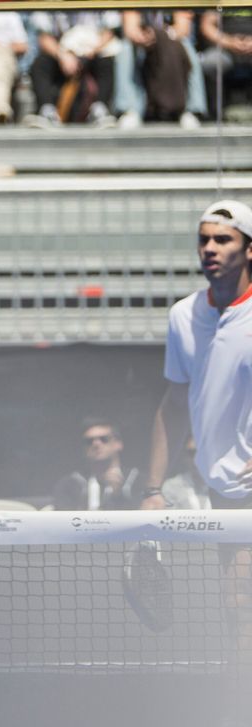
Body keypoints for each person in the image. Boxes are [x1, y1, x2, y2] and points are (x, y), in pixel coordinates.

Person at [142, 200, 252, 659]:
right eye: (204, 239)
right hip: (224, 487)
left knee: (241, 600)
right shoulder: (183, 316)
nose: (210, 248)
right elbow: (174, 404)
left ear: (249, 250)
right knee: (235, 604)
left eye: (223, 239)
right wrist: (153, 488)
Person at [48, 419, 143, 510]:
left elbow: (143, 517)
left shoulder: (138, 480)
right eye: (89, 441)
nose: (96, 444)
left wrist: (117, 494)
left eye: (104, 439)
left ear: (118, 443)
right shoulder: (69, 485)